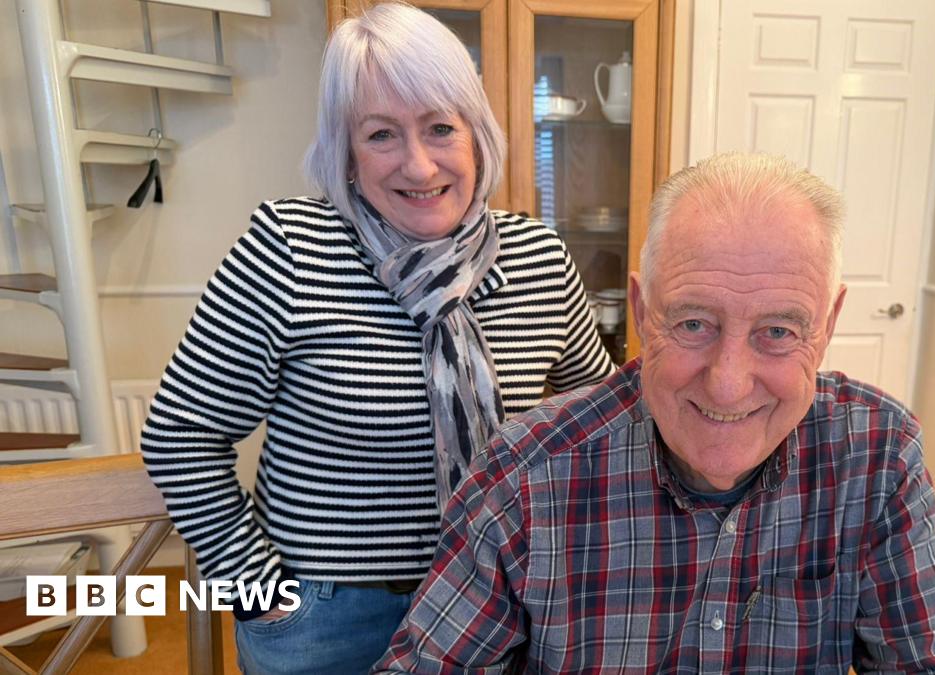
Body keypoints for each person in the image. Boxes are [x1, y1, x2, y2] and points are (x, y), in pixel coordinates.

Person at [373, 152, 935, 673]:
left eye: (777, 331)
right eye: (693, 324)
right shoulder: (526, 474)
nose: (727, 386)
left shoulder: (877, 454)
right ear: (642, 312)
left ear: (826, 327)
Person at [139, 4, 614, 674]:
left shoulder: (539, 257)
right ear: (347, 151)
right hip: (328, 623)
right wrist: (259, 594)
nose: (418, 166)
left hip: (504, 602)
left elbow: (594, 427)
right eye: (382, 134)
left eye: (440, 127)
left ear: (477, 133)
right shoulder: (289, 250)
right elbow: (180, 434)